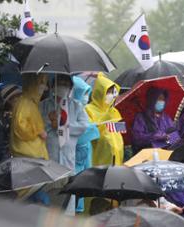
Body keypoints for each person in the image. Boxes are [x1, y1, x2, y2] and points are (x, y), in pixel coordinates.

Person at [40, 75, 90, 170]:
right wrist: (49, 121)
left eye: (65, 84)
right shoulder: (44, 105)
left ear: (70, 88)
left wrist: (62, 125)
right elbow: (37, 126)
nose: (62, 87)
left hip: (68, 156)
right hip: (49, 153)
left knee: (66, 181)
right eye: (59, 84)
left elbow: (83, 126)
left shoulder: (77, 106)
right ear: (52, 86)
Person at [71, 76, 99, 213]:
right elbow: (80, 134)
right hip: (73, 164)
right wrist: (93, 129)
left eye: (88, 93)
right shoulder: (70, 110)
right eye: (84, 93)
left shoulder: (83, 112)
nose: (86, 97)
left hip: (82, 164)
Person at [85, 73, 123, 166]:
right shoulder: (88, 109)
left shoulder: (113, 111)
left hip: (117, 155)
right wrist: (103, 123)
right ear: (101, 92)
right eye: (108, 92)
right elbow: (88, 132)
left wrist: (119, 124)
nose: (111, 95)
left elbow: (120, 130)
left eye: (112, 92)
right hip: (100, 156)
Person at [10, 73, 49, 159]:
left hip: (32, 153)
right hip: (29, 154)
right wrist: (39, 131)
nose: (44, 87)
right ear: (33, 83)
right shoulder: (25, 102)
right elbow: (21, 126)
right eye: (41, 82)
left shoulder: (30, 102)